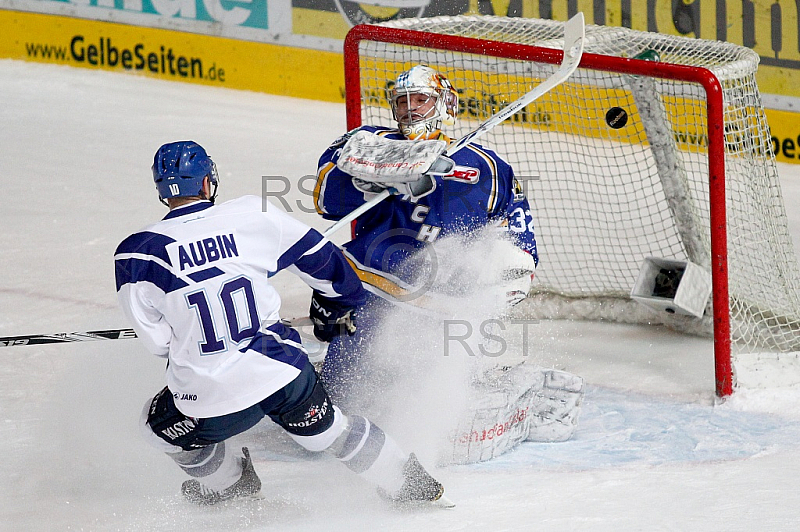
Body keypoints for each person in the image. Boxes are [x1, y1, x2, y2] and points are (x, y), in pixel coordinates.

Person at [114, 140, 450, 506]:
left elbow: (159, 344)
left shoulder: (136, 252)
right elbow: (326, 264)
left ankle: (229, 483)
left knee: (158, 431)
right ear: (208, 183)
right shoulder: (249, 215)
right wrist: (337, 306)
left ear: (161, 190)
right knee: (330, 433)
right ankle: (409, 484)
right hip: (283, 374)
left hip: (207, 399)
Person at [313, 66, 584, 463]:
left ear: (445, 104)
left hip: (440, 303)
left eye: (419, 100)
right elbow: (325, 200)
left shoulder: (486, 166)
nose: (408, 111)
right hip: (367, 286)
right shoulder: (368, 143)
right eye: (401, 102)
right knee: (338, 402)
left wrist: (514, 272)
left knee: (423, 408)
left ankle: (486, 400)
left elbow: (515, 227)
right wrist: (379, 175)